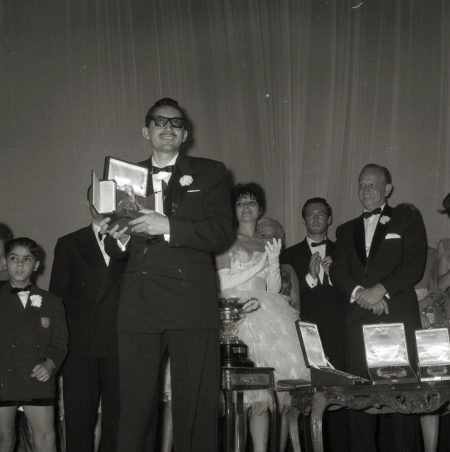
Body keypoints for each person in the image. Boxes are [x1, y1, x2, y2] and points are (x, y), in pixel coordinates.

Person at [102, 97, 233, 452]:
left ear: (185, 134)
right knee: (135, 407)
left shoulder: (211, 172)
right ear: (146, 131)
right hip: (139, 302)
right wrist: (119, 236)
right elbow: (115, 249)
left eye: (176, 123)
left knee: (195, 405)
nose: (168, 128)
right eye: (159, 121)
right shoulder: (124, 177)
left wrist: (168, 225)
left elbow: (222, 232)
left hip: (190, 300)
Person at [330, 163, 427, 452]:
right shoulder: (344, 230)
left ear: (388, 189)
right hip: (357, 322)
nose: (365, 190)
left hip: (396, 316)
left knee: (400, 399)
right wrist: (361, 294)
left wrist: (381, 290)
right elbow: (337, 270)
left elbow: (415, 264)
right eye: (361, 184)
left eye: (372, 184)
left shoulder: (407, 218)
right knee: (359, 400)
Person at [217, 183, 310, 452]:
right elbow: (224, 283)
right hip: (234, 318)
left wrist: (273, 261)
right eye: (240, 203)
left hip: (265, 315)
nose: (246, 207)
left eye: (251, 202)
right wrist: (260, 262)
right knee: (238, 398)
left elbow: (273, 288)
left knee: (261, 400)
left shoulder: (264, 242)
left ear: (261, 209)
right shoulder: (224, 239)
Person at [49, 188, 127, 452]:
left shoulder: (134, 242)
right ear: (88, 203)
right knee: (79, 420)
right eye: (99, 198)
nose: (104, 205)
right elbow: (57, 300)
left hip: (121, 344)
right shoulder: (69, 243)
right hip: (80, 346)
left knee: (119, 421)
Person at [280, 197, 348, 452]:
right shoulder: (289, 255)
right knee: (309, 400)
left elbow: (353, 294)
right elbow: (286, 299)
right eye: (311, 214)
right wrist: (309, 277)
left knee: (342, 398)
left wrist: (334, 276)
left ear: (330, 219)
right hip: (306, 334)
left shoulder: (344, 252)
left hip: (340, 333)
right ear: (304, 220)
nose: (316, 217)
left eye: (321, 213)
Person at [0, 237, 68, 452]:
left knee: (46, 438)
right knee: (3, 439)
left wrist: (49, 364)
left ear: (36, 265)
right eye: (14, 258)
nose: (20, 265)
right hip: (3, 378)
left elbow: (60, 342)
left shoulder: (52, 301)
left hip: (37, 377)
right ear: (4, 262)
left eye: (27, 259)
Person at [256, 217, 300, 310]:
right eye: (263, 235)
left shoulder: (287, 270)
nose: (269, 239)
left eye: (273, 235)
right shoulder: (245, 268)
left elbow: (296, 306)